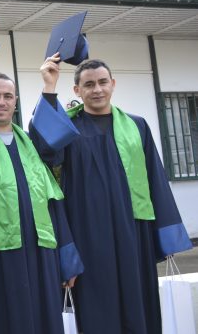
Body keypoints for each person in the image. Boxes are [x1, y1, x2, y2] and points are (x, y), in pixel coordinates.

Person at [32, 55, 192, 333]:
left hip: (133, 230)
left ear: (113, 84)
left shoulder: (137, 125)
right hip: (86, 234)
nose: (97, 90)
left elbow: (155, 177)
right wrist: (49, 87)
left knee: (137, 301)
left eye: (103, 82)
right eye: (89, 84)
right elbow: (43, 150)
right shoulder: (67, 129)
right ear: (77, 91)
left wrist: (163, 236)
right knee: (97, 306)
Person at [0, 70, 83, 334]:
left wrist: (67, 259)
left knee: (44, 318)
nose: (1, 101)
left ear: (15, 102)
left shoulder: (32, 146)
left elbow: (53, 202)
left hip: (41, 254)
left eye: (7, 96)